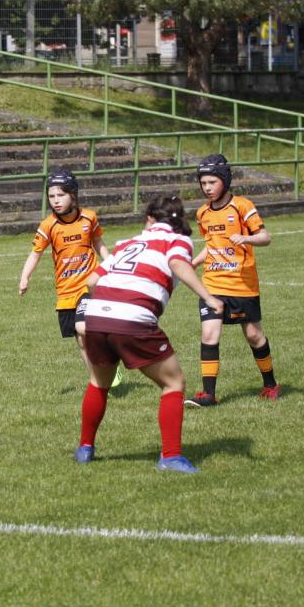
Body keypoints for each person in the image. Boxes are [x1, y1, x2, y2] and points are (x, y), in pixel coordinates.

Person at [75, 195, 224, 474]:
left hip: (96, 314)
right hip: (133, 317)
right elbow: (178, 264)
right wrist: (208, 297)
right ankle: (171, 457)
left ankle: (85, 448)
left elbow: (92, 280)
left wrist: (106, 307)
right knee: (174, 382)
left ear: (149, 219)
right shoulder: (178, 240)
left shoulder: (127, 242)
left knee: (99, 383)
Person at [185, 154, 281, 407]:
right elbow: (211, 245)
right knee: (209, 333)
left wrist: (246, 238)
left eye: (212, 182)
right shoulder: (202, 213)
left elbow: (265, 237)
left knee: (254, 335)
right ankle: (208, 394)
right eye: (203, 183)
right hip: (213, 284)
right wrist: (194, 262)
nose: (207, 188)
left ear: (225, 181)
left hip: (241, 284)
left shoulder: (242, 206)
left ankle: (270, 384)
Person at [18, 169, 121, 386]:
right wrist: (25, 277)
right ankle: (98, 378)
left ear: (73, 195)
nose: (55, 200)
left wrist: (111, 263)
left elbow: (98, 242)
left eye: (61, 195)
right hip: (65, 292)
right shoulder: (48, 225)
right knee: (80, 339)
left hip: (88, 284)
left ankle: (107, 362)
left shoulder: (88, 217)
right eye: (51, 196)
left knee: (83, 327)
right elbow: (35, 253)